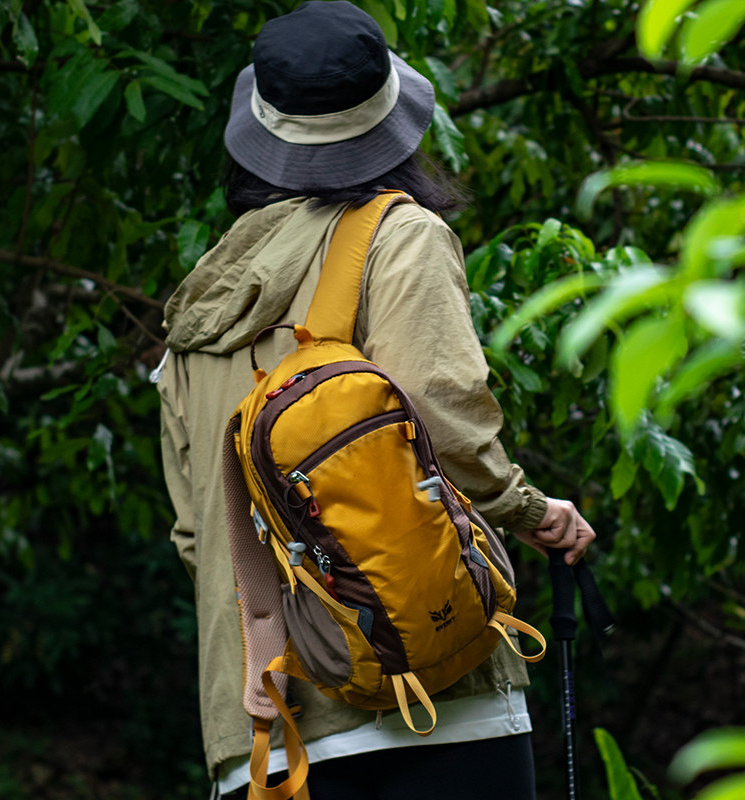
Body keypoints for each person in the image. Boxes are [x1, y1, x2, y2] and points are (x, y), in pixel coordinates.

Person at [157, 2, 596, 798]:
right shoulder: (400, 236)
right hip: (431, 694)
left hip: (262, 723)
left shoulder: (197, 309)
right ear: (390, 121)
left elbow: (196, 532)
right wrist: (534, 514)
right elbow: (443, 418)